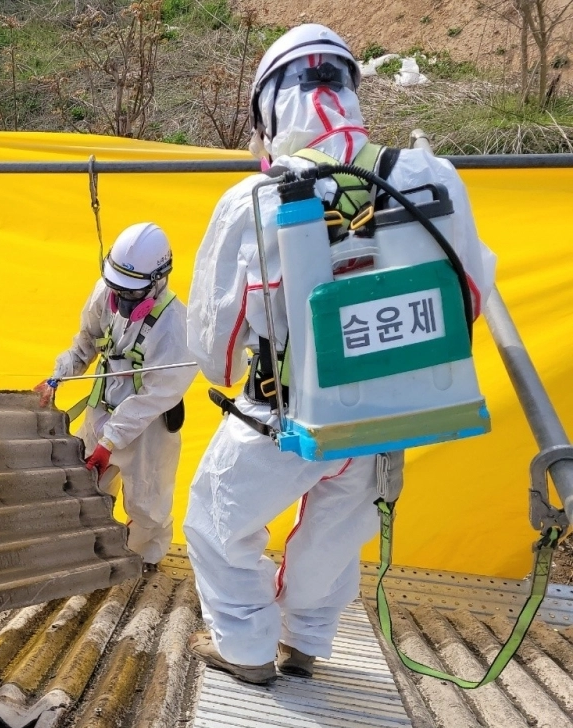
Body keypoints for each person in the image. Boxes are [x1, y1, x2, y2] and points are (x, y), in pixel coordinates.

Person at [183, 24, 495, 683]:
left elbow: (219, 319)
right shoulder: (425, 175)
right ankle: (305, 641)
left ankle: (243, 647)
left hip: (282, 412)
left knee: (216, 517)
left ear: (270, 107)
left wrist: (219, 369)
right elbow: (470, 286)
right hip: (389, 413)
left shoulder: (256, 197)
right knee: (334, 536)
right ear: (350, 90)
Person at [35, 223, 197, 573]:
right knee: (82, 487)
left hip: (149, 426)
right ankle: (88, 555)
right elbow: (85, 344)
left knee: (146, 507)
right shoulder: (104, 294)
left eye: (131, 295)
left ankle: (143, 564)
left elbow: (156, 396)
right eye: (116, 290)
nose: (121, 301)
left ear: (158, 280)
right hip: (102, 411)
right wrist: (58, 376)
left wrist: (111, 441)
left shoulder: (176, 327)